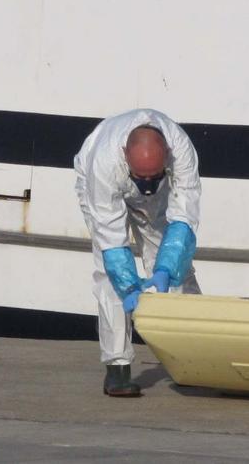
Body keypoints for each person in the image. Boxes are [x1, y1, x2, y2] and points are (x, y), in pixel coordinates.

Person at [73, 109, 202, 397]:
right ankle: (117, 368)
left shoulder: (182, 151)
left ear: (167, 153)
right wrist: (129, 284)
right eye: (141, 179)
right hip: (104, 185)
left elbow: (184, 220)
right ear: (123, 155)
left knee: (177, 267)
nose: (146, 188)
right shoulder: (104, 163)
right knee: (110, 276)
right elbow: (111, 238)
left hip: (162, 192)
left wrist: (167, 269)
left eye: (152, 178)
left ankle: (195, 357)